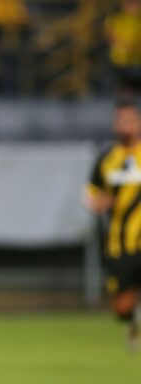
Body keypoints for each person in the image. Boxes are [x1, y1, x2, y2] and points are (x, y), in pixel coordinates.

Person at [84, 99, 141, 352]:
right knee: (121, 308)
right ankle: (133, 319)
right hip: (118, 242)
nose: (124, 125)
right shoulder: (107, 158)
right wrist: (98, 202)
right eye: (120, 120)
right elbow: (89, 194)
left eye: (129, 120)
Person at [105, 0, 141, 95]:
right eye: (130, 3)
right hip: (120, 59)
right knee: (123, 88)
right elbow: (108, 34)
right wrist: (123, 45)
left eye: (136, 3)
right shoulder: (116, 17)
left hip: (137, 60)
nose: (133, 6)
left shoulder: (138, 19)